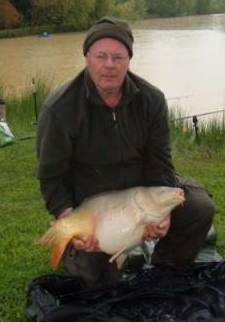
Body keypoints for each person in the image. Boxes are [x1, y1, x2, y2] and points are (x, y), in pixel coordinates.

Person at [36, 16, 215, 289]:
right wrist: (68, 217)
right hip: (93, 207)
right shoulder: (59, 108)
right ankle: (77, 250)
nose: (109, 65)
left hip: (141, 194)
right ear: (87, 57)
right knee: (101, 280)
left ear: (129, 60)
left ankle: (165, 271)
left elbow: (161, 164)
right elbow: (51, 177)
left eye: (118, 57)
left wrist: (163, 215)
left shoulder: (151, 99)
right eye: (101, 56)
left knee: (199, 207)